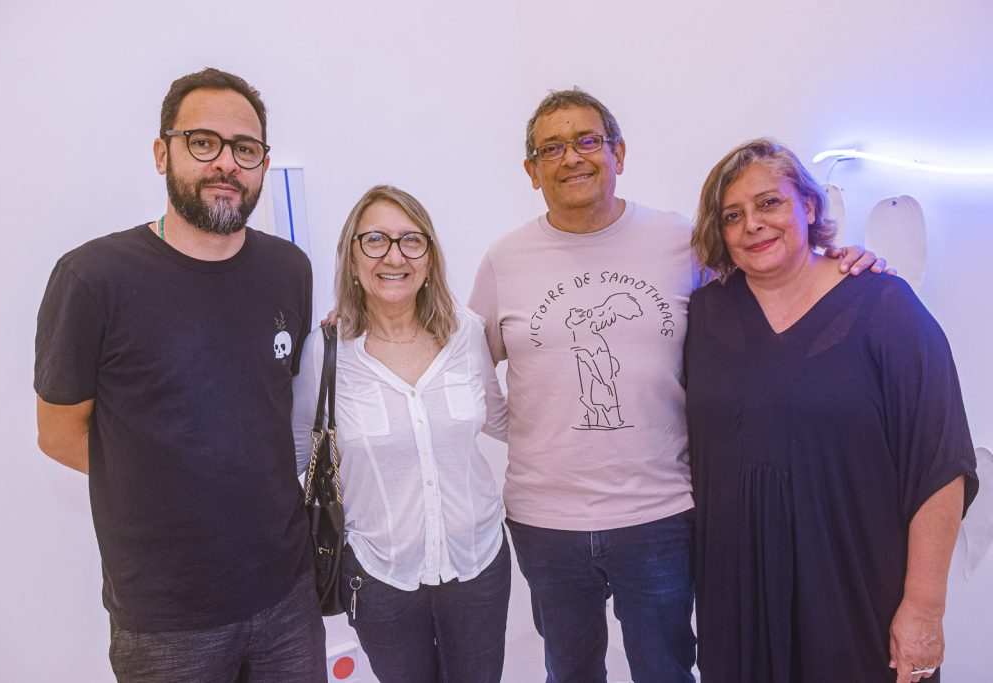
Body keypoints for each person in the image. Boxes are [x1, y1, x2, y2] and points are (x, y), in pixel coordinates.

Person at [468, 88, 884, 683]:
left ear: (619, 153)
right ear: (531, 171)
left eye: (588, 140)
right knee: (569, 668)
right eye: (551, 148)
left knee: (666, 668)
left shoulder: (678, 241)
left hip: (660, 512)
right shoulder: (504, 259)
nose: (572, 158)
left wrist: (839, 260)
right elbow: (468, 366)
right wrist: (532, 431)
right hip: (545, 519)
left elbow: (768, 276)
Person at [34, 68, 326, 681]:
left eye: (245, 149)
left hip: (287, 596)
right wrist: (176, 481)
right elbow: (59, 433)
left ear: (263, 166)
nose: (225, 163)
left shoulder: (288, 268)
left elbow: (271, 405)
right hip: (165, 619)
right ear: (162, 152)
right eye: (203, 142)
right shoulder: (93, 278)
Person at [685, 138, 979, 683]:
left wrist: (924, 609)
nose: (752, 224)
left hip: (855, 593)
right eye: (733, 215)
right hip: (739, 601)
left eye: (769, 203)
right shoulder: (702, 316)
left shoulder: (886, 307)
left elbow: (940, 466)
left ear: (810, 206)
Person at [293, 185, 511, 683]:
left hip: (478, 561)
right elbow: (302, 451)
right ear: (352, 258)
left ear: (430, 258)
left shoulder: (467, 334)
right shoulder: (324, 352)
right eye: (375, 241)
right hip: (377, 574)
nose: (395, 256)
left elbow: (499, 419)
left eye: (412, 241)